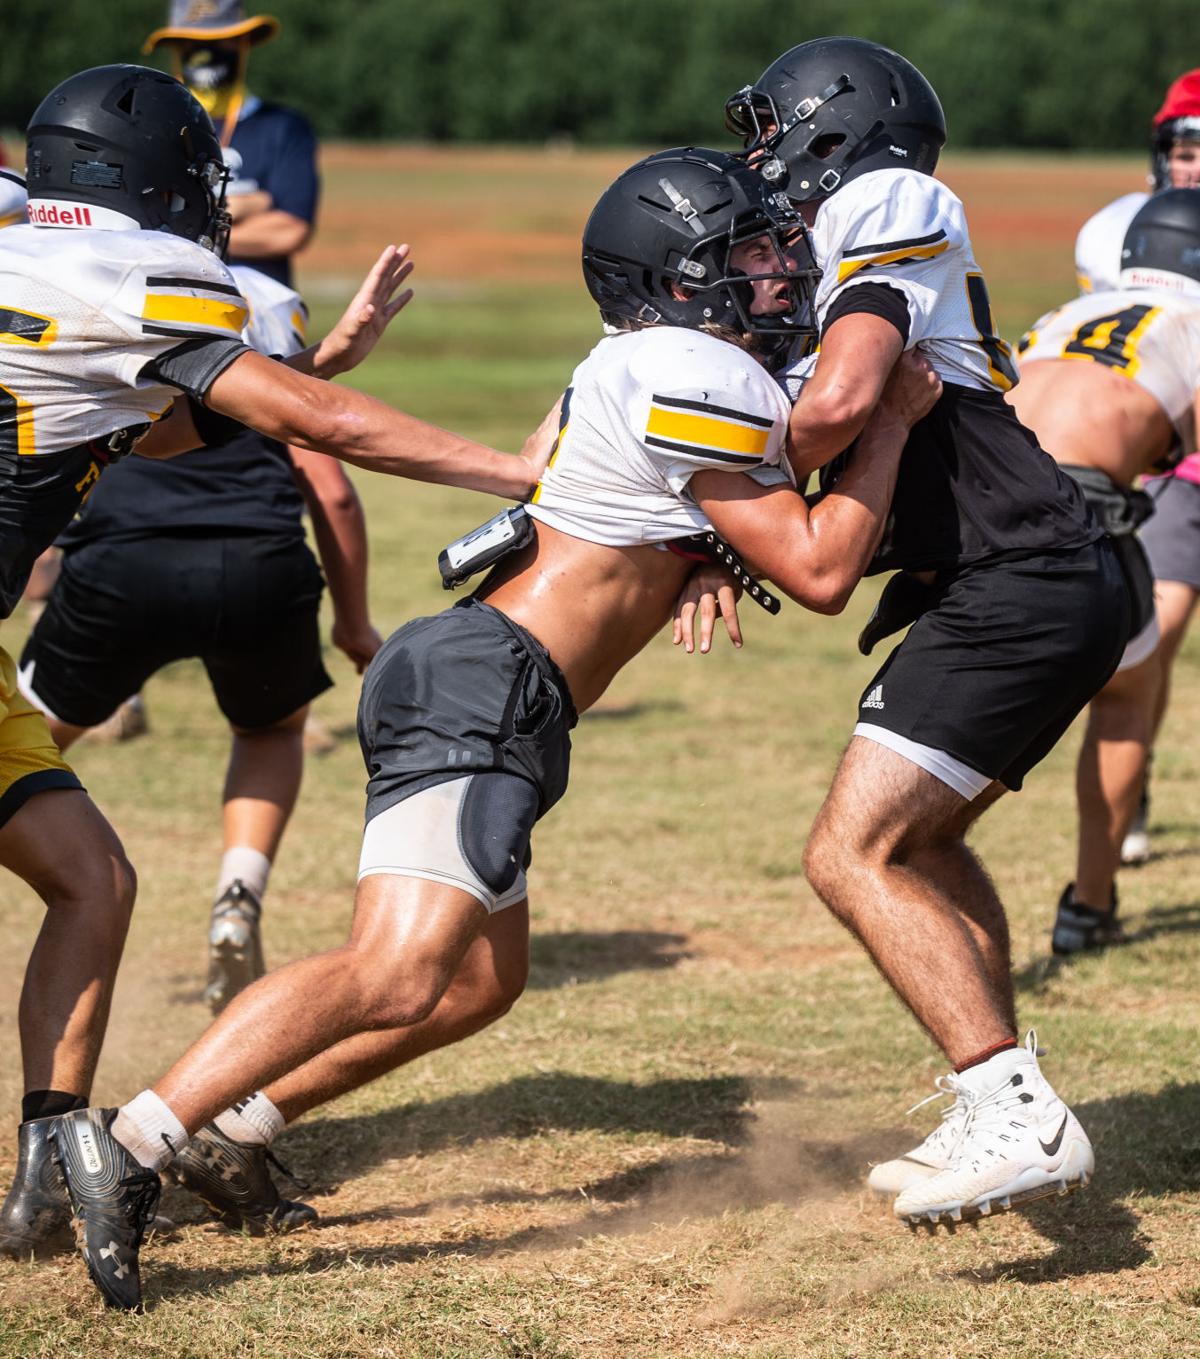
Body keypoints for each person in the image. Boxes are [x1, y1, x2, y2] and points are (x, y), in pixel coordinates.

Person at [48, 145, 942, 1311]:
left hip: (501, 688)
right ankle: (134, 1142)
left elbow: (674, 509)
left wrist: (710, 552)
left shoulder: (661, 366)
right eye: (753, 255)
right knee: (398, 965)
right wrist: (897, 426)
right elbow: (824, 567)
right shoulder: (681, 362)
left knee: (475, 986)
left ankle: (240, 1127)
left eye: (782, 248)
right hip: (484, 678)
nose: (782, 272)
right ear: (673, 282)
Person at [0, 62, 546, 1265]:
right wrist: (521, 476)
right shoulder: (140, 281)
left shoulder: (24, 236)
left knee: (90, 875)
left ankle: (48, 1153)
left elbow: (210, 413)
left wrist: (325, 358)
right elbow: (321, 432)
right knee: (92, 876)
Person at [723, 37, 1130, 1228]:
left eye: (771, 129)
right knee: (927, 845)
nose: (761, 155)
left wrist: (711, 472)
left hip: (1021, 575)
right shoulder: (847, 240)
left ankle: (1016, 1110)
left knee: (850, 853)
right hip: (1024, 576)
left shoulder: (886, 199)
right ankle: (1003, 1090)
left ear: (834, 129)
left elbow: (845, 401)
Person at [16, 259, 391, 1016]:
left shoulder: (100, 276)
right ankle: (236, 898)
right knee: (269, 731)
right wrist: (353, 622)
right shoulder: (266, 300)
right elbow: (335, 492)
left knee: (19, 747)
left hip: (126, 560)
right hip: (259, 562)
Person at [1009, 190, 1200, 953]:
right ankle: (1089, 904)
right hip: (1076, 509)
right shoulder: (1193, 322)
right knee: (1127, 690)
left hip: (974, 491)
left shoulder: (1064, 313)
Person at [1073, 72, 1200, 866]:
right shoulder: (1124, 231)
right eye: (1184, 148)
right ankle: (1134, 779)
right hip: (1177, 456)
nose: (1193, 165)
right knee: (1162, 624)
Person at [144, 0, 318, 289]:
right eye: (189, 43)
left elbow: (290, 232)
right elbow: (140, 219)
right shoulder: (153, 127)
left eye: (220, 41)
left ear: (243, 43)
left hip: (260, 298)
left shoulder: (283, 127)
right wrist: (253, 204)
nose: (204, 53)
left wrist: (186, 222)